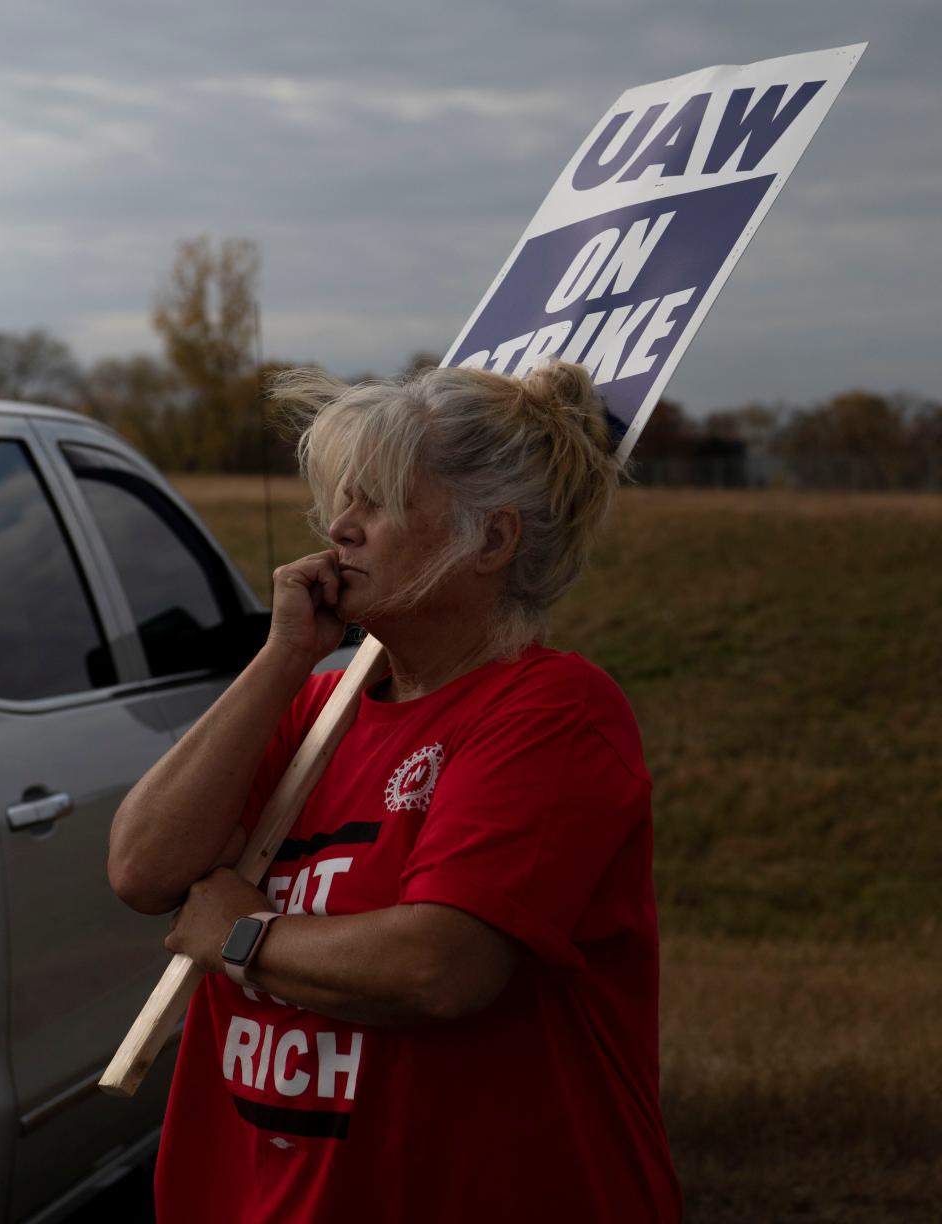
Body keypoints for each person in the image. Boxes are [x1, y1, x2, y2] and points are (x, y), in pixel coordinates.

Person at [108, 359, 683, 1223]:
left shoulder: (555, 713)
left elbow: (439, 967)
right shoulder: (316, 706)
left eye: (376, 499)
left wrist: (239, 934)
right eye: (342, 500)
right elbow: (143, 869)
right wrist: (283, 657)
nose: (340, 528)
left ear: (491, 542)